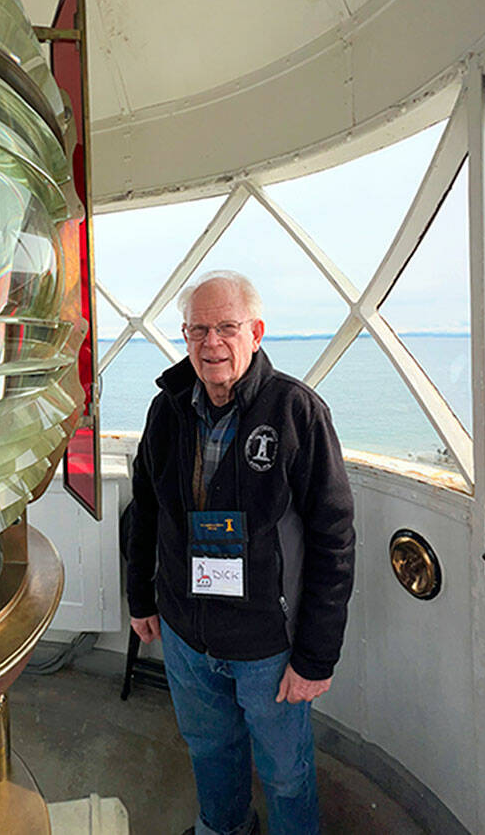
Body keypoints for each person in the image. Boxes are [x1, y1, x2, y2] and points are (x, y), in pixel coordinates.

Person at [123, 270, 355, 835]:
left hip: (267, 646)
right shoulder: (169, 409)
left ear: (256, 331)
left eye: (227, 327)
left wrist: (315, 657)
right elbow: (146, 507)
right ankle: (223, 828)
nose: (212, 343)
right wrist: (141, 599)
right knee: (209, 750)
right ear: (184, 335)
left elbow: (334, 535)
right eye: (198, 330)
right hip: (185, 632)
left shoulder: (296, 412)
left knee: (284, 772)